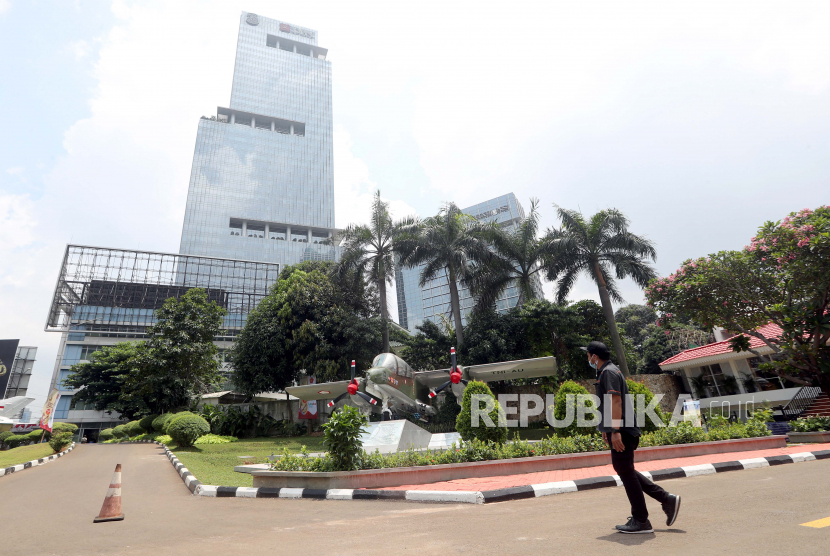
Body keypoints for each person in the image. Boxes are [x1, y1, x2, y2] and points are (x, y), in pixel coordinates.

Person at [582, 340, 681, 534]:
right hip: (622, 429)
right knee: (625, 469)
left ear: (595, 356)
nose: (587, 358)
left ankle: (641, 520)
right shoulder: (607, 371)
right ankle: (665, 499)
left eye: (588, 355)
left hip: (624, 432)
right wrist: (606, 428)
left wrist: (615, 430)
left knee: (625, 471)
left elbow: (615, 401)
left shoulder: (608, 372)